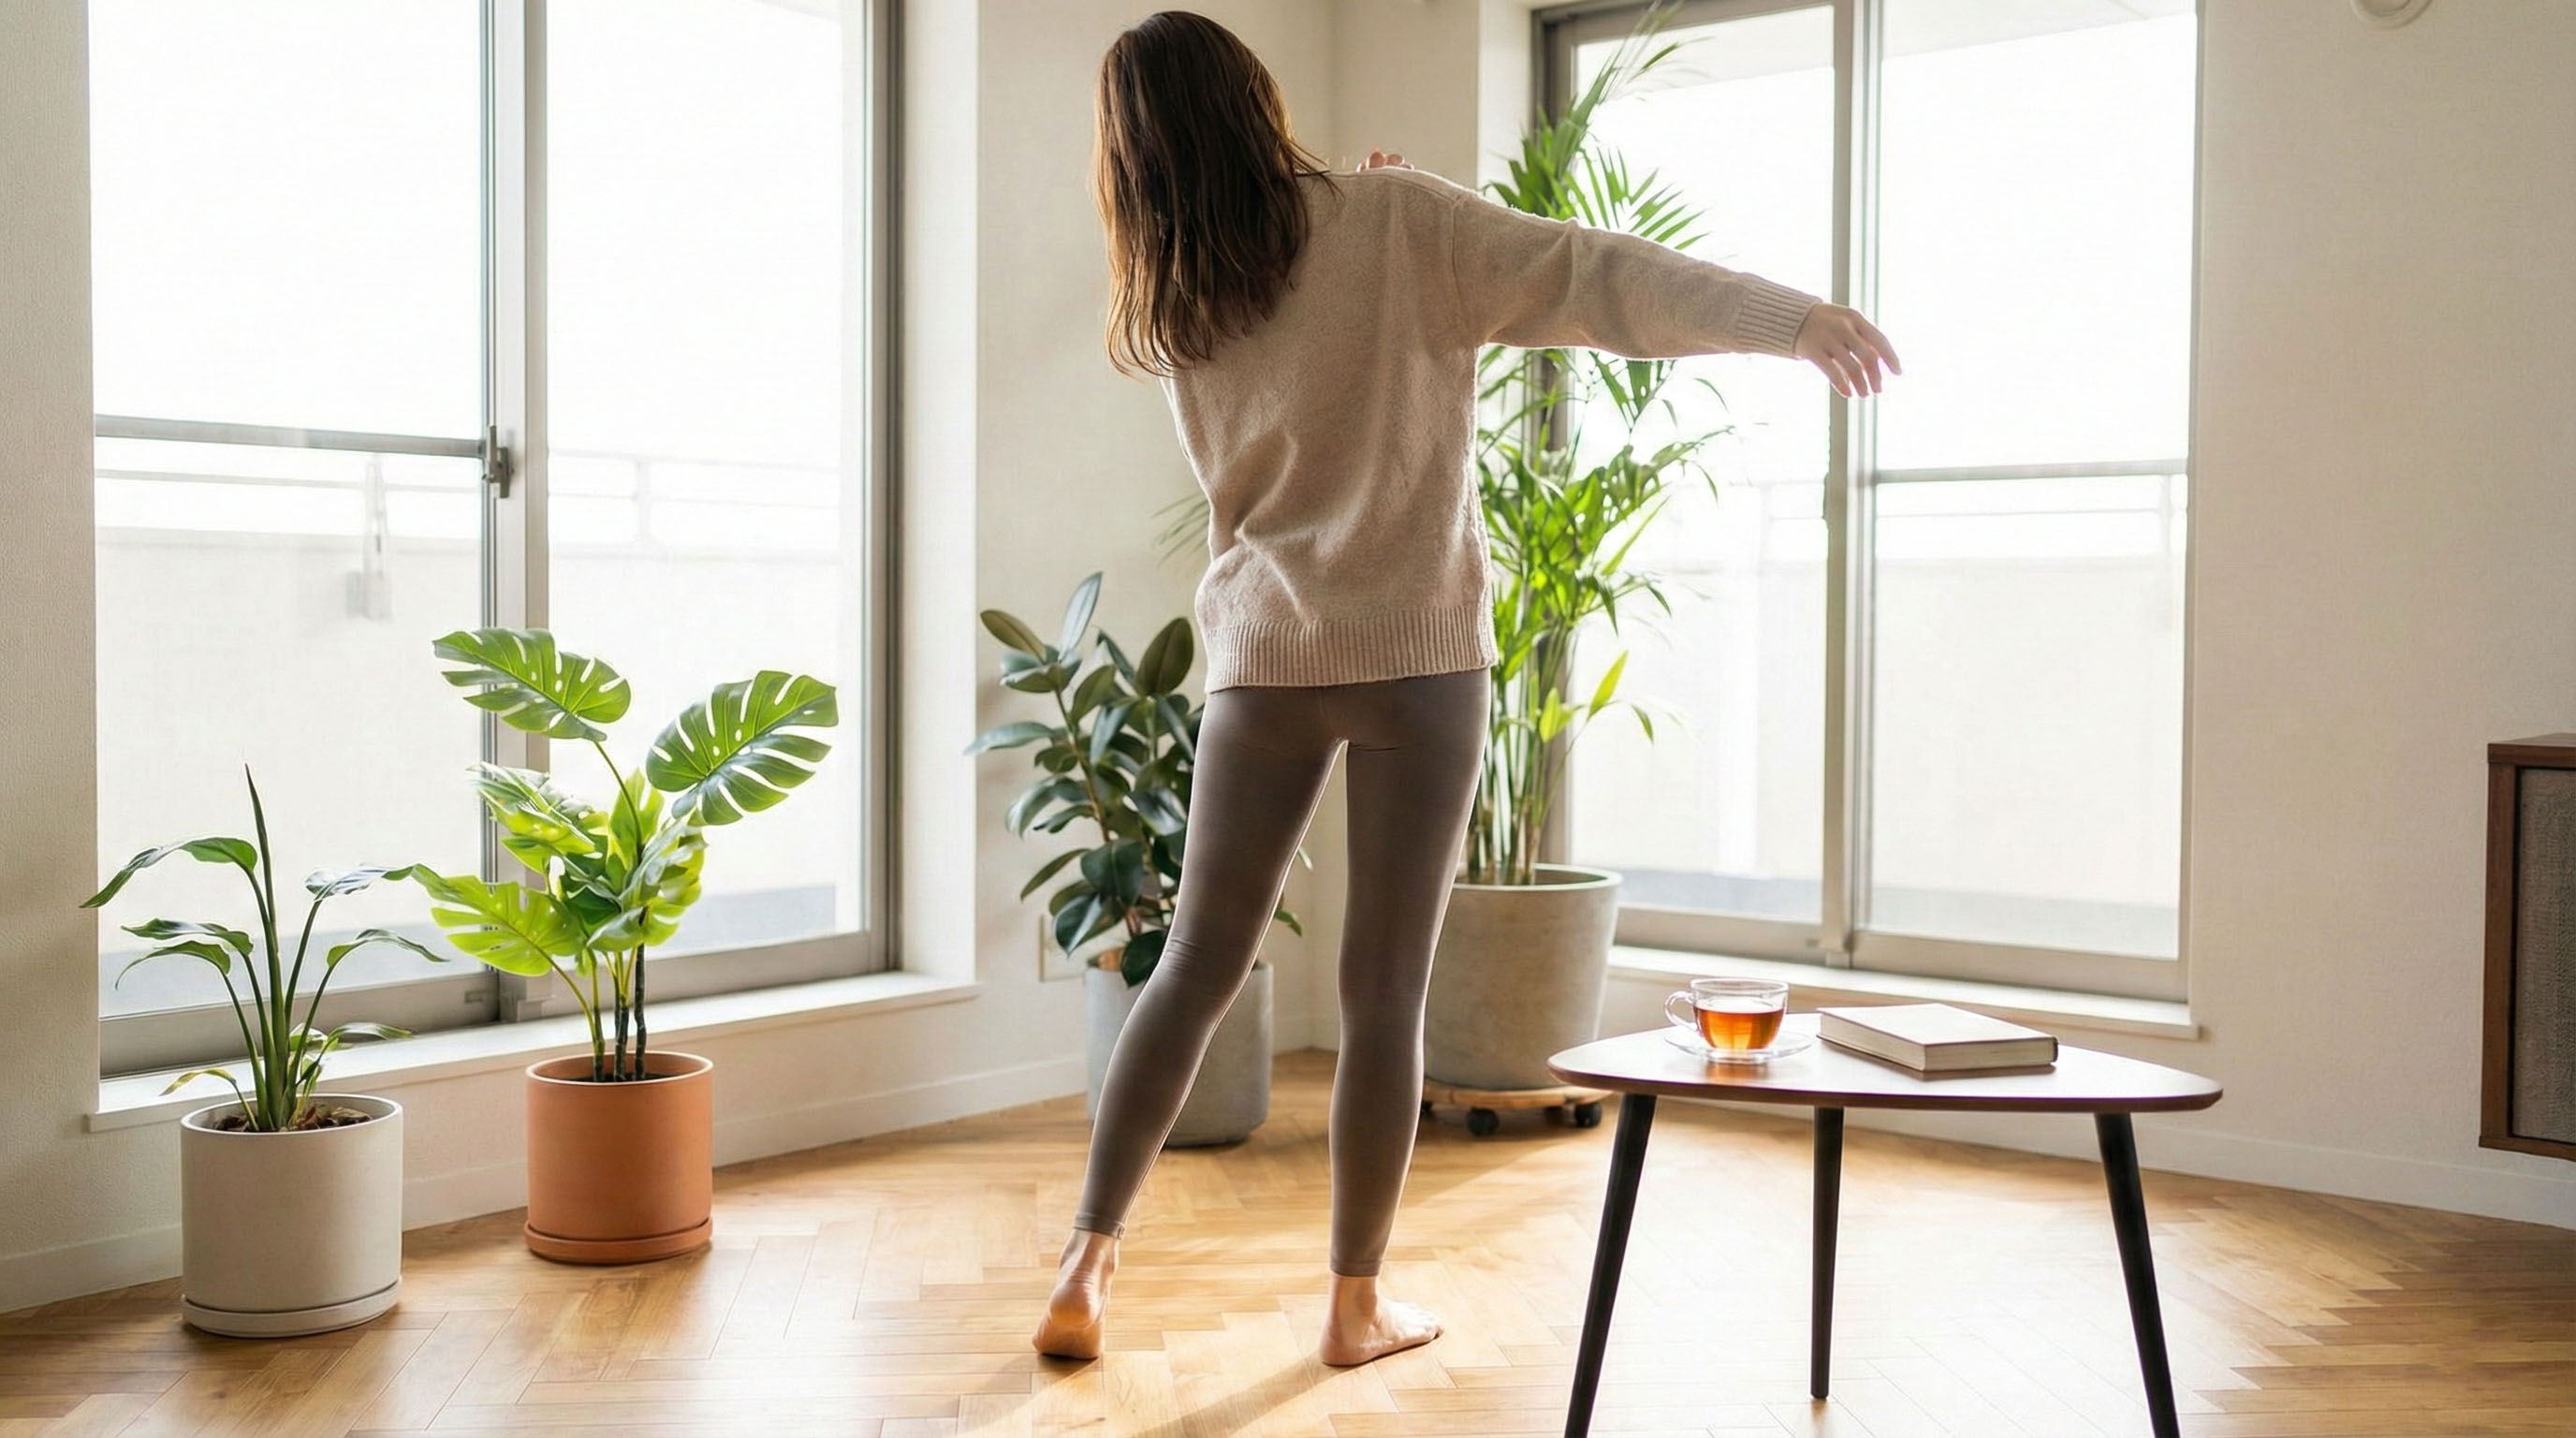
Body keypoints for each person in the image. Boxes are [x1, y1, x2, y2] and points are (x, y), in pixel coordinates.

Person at [1033, 10, 1899, 1369]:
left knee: (1193, 965)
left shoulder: (1171, 299)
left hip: (1265, 660)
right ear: (1256, 97)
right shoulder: (1393, 217)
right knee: (1388, 991)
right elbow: (1594, 276)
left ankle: (1085, 1268)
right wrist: (1791, 321)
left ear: (1131, 156)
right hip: (1421, 662)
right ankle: (1352, 1304)